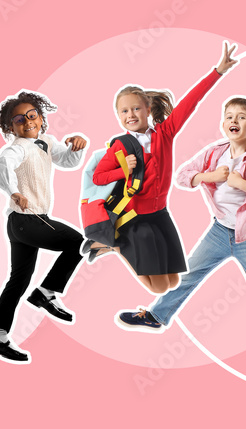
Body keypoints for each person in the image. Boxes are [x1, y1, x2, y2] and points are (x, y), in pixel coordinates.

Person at [116, 97, 246, 372]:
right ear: (223, 123)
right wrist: (207, 177)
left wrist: (244, 184)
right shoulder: (214, 153)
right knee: (187, 276)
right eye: (229, 116)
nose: (234, 121)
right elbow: (183, 176)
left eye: (241, 117)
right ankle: (156, 316)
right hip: (219, 231)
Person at [92, 42, 238, 295]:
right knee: (159, 288)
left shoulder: (164, 133)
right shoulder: (118, 146)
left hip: (160, 214)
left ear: (148, 109)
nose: (131, 114)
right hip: (134, 218)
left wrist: (218, 71)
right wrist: (123, 170)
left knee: (173, 282)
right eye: (124, 111)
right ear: (118, 115)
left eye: (136, 108)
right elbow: (99, 176)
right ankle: (116, 247)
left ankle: (119, 247)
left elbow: (190, 103)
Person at [0, 90, 88, 363]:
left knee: (18, 281)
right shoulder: (16, 147)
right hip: (26, 219)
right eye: (19, 119)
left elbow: (66, 161)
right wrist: (12, 191)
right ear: (10, 127)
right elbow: (2, 164)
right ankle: (45, 293)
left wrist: (76, 146)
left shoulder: (46, 141)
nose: (27, 122)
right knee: (78, 242)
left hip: (26, 223)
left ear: (41, 118)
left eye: (32, 116)